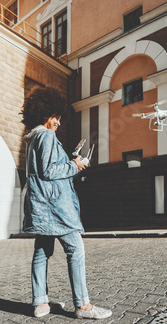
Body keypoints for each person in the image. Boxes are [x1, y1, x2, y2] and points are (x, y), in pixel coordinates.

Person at [20, 86, 112, 320]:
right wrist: (76, 165)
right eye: (56, 117)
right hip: (56, 207)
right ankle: (83, 306)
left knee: (42, 252)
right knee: (76, 249)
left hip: (39, 204)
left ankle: (40, 304)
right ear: (45, 114)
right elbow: (50, 171)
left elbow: (40, 170)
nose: (58, 123)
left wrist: (69, 161)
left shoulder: (31, 138)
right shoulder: (47, 135)